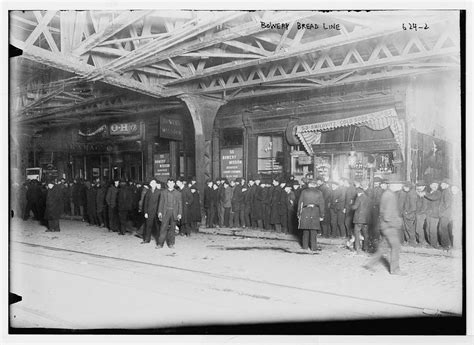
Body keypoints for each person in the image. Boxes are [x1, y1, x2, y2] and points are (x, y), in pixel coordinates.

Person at [364, 179, 405, 275]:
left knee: (383, 247)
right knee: (396, 246)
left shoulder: (387, 194)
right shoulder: (390, 196)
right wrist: (396, 223)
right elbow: (387, 216)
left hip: (385, 225)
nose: (400, 185)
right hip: (389, 226)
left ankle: (370, 264)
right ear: (393, 185)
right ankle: (395, 270)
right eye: (399, 184)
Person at [297, 179, 325, 252]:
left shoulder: (304, 192)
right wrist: (322, 215)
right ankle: (313, 247)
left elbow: (300, 203)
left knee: (305, 230)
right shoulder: (319, 192)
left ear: (309, 185)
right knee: (313, 231)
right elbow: (322, 205)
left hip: (305, 211)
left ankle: (305, 246)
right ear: (315, 185)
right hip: (315, 211)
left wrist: (298, 213)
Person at [157, 178, 182, 249]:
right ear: (167, 184)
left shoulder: (178, 193)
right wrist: (159, 212)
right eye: (169, 183)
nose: (170, 184)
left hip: (174, 212)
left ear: (174, 184)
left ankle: (171, 243)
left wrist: (180, 213)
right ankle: (160, 244)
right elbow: (161, 203)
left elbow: (180, 204)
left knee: (172, 229)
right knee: (163, 228)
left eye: (172, 183)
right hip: (165, 212)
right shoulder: (163, 192)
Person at [351, 181, 371, 252]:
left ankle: (357, 248)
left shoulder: (358, 198)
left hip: (359, 219)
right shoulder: (368, 198)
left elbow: (355, 207)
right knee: (366, 234)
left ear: (359, 192)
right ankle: (366, 248)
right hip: (366, 219)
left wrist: (351, 206)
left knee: (357, 233)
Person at [141, 178, 162, 244]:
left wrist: (160, 212)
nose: (152, 185)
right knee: (148, 226)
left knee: (158, 227)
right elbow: (145, 203)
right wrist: (146, 212)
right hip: (149, 212)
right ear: (150, 184)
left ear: (156, 184)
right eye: (151, 183)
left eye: (154, 183)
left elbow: (161, 203)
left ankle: (159, 241)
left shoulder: (159, 192)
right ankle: (147, 240)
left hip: (157, 212)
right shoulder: (148, 192)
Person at [398, 181, 417, 245]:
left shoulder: (412, 194)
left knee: (410, 228)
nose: (404, 188)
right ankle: (409, 241)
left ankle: (412, 242)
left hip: (409, 214)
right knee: (406, 228)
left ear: (409, 187)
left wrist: (407, 212)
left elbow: (413, 206)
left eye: (405, 187)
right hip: (406, 213)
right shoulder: (408, 192)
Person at [424, 181, 442, 248]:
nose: (434, 187)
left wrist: (424, 193)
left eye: (436, 185)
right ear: (430, 186)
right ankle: (430, 243)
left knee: (432, 230)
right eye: (433, 185)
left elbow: (433, 198)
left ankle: (434, 244)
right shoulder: (430, 193)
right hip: (429, 214)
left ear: (438, 186)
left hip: (435, 214)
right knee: (427, 229)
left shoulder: (438, 193)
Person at [438, 179, 452, 249]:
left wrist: (441, 212)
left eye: (442, 184)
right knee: (443, 229)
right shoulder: (445, 191)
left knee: (442, 229)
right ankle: (446, 244)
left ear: (447, 185)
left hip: (445, 214)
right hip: (446, 214)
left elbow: (447, 204)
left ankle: (445, 245)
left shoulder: (446, 192)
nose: (441, 185)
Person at [415, 181, 429, 246]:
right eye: (418, 186)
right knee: (417, 228)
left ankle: (422, 242)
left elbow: (425, 206)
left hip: (422, 214)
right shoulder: (418, 193)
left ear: (424, 187)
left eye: (420, 186)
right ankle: (421, 241)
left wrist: (419, 212)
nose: (418, 187)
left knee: (419, 228)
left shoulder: (424, 194)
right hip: (418, 213)